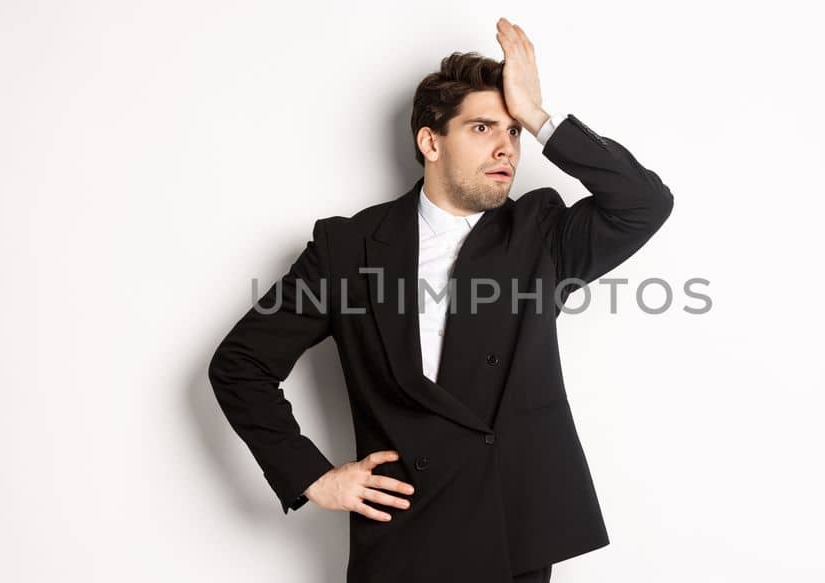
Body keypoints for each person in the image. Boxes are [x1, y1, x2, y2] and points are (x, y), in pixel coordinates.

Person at [208, 17, 674, 583]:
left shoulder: (541, 234)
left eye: (513, 132)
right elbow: (241, 365)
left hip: (511, 536)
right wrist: (313, 476)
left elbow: (644, 203)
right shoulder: (348, 248)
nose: (505, 147)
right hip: (404, 532)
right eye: (482, 128)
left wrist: (540, 116)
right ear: (430, 141)